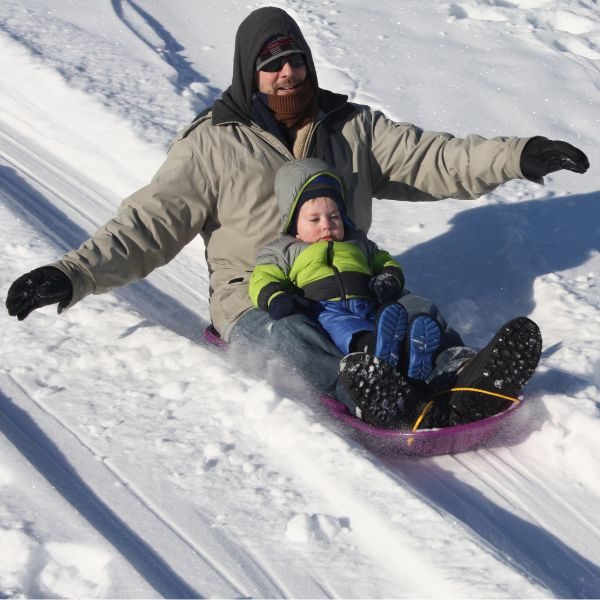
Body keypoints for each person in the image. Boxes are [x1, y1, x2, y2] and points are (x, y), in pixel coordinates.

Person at [5, 7, 588, 430]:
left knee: (410, 312)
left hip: (350, 278)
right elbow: (148, 224)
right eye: (272, 64)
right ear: (248, 73)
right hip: (262, 296)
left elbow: (433, 157)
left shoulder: (350, 127)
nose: (287, 73)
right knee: (288, 336)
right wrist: (73, 273)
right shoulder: (212, 145)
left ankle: (463, 372)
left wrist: (516, 154)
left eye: (296, 60)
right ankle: (361, 387)